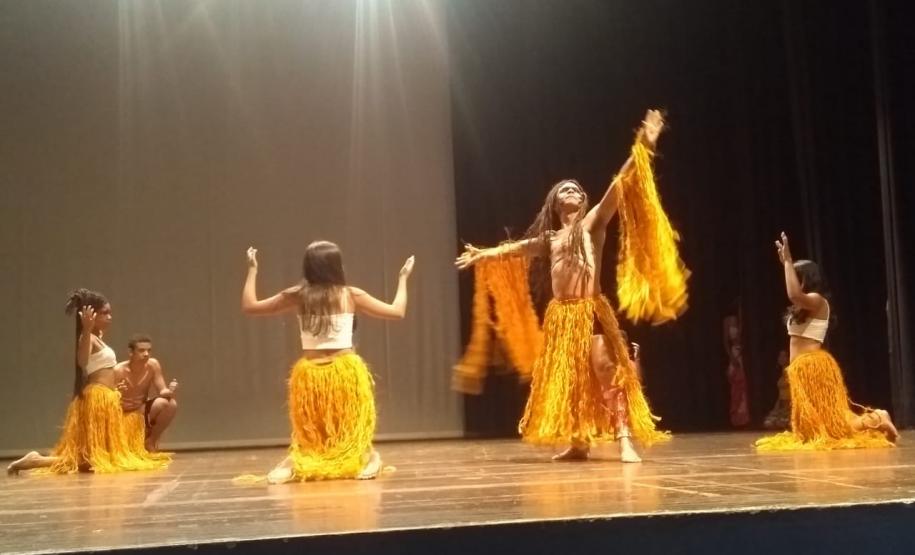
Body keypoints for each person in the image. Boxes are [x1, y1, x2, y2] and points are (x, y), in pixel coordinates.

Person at [456, 110, 687, 463]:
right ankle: (579, 441)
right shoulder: (550, 238)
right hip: (561, 317)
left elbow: (618, 185)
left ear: (582, 201)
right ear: (554, 202)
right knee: (573, 380)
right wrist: (483, 254)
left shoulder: (592, 224)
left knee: (607, 370)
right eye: (565, 188)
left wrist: (642, 146)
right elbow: (515, 248)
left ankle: (624, 437)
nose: (572, 190)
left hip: (590, 310)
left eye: (577, 189)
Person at [241, 241, 414, 483]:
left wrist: (252, 269)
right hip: (311, 377)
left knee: (351, 428)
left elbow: (396, 312)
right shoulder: (302, 295)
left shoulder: (346, 294)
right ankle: (295, 459)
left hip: (344, 372)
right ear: (336, 266)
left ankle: (370, 456)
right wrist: (403, 279)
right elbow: (251, 307)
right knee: (312, 433)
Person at [755, 233, 897, 450]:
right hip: (800, 371)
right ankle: (877, 418)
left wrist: (787, 263)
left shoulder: (818, 301)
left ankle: (877, 418)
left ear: (807, 279)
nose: (792, 278)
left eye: (796, 275)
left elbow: (793, 294)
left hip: (814, 368)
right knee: (811, 429)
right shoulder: (802, 308)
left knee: (835, 426)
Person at [7, 289, 168, 474]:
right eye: (105, 313)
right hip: (97, 399)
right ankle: (34, 460)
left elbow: (100, 368)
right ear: (91, 315)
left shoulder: (98, 339)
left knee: (93, 458)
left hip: (107, 397)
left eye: (110, 313)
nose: (110, 317)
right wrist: (86, 328)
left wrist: (116, 387)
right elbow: (82, 362)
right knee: (94, 458)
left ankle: (35, 460)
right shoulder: (88, 337)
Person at [115, 334, 178, 453]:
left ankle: (150, 441)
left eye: (149, 350)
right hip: (123, 415)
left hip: (141, 410)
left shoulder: (153, 365)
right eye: (141, 350)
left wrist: (170, 391)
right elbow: (110, 399)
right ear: (130, 352)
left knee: (171, 404)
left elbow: (162, 391)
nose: (146, 354)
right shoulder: (119, 370)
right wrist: (117, 391)